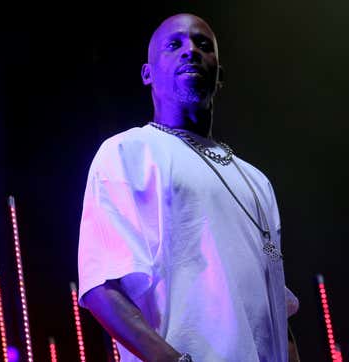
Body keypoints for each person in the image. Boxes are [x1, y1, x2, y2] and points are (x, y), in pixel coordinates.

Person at [77, 13, 299, 362]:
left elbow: (274, 308)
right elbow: (102, 288)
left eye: (203, 44)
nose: (190, 51)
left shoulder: (257, 182)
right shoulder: (128, 152)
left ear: (220, 75)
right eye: (174, 45)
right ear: (147, 74)